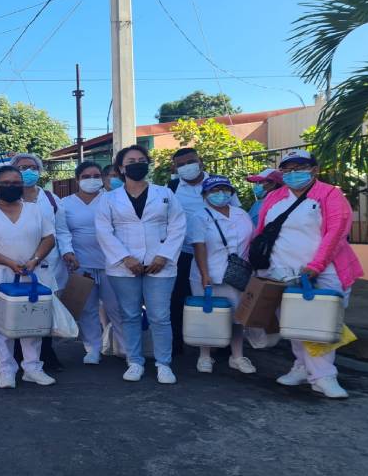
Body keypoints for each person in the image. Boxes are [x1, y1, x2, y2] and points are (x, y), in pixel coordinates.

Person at [257, 149, 364, 398]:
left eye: (299, 168)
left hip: (324, 271)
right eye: (287, 169)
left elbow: (336, 233)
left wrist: (315, 266)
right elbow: (262, 232)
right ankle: (302, 367)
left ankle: (324, 376)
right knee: (294, 323)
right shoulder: (274, 198)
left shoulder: (330, 194)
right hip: (282, 271)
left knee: (321, 323)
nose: (292, 173)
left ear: (314, 170)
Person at [95, 145, 186, 384]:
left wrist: (163, 256)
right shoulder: (108, 198)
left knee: (160, 316)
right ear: (121, 167)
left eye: (141, 160)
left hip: (160, 263)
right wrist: (125, 258)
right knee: (130, 315)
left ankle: (163, 364)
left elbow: (178, 226)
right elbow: (103, 231)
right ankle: (134, 361)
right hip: (123, 266)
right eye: (131, 161)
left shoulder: (165, 194)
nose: (137, 164)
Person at [0, 166, 58, 389]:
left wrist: (34, 259)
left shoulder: (35, 210)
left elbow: (49, 239)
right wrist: (7, 262)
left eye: (16, 182)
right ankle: (6, 370)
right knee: (2, 328)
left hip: (32, 275)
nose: (11, 186)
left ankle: (33, 369)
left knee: (32, 325)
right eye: (5, 183)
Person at [168, 148, 241, 354]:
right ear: (175, 168)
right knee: (178, 298)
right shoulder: (172, 187)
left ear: (200, 162)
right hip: (184, 252)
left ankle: (224, 345)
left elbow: (236, 213)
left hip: (219, 253)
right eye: (180, 164)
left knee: (223, 297)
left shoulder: (220, 184)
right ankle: (177, 343)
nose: (186, 167)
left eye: (190, 161)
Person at [10, 153, 75, 372]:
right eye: (22, 167)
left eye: (32, 167)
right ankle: (19, 356)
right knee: (20, 309)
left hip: (50, 263)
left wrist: (68, 252)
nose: (28, 171)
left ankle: (46, 354)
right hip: (18, 262)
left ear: (39, 171)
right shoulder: (6, 197)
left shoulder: (51, 198)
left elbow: (61, 230)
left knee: (45, 309)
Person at [187, 175, 256, 374]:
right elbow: (199, 246)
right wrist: (204, 274)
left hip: (238, 275)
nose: (220, 194)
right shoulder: (200, 216)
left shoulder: (241, 214)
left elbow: (251, 241)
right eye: (214, 190)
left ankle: (237, 356)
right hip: (209, 274)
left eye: (225, 190)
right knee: (207, 314)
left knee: (237, 316)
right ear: (205, 195)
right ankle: (205, 355)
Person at [61, 161, 125, 364]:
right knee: (87, 308)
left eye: (96, 176)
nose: (92, 180)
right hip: (80, 263)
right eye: (86, 176)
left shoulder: (113, 200)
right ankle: (92, 348)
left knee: (116, 307)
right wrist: (68, 251)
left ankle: (125, 347)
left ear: (103, 178)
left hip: (111, 262)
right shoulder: (65, 203)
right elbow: (62, 231)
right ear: (77, 179)